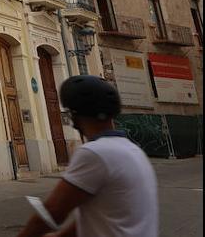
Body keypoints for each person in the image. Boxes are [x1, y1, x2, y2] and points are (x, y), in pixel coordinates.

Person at [17, 74, 157, 237]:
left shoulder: (94, 153)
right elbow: (100, 217)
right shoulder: (133, 151)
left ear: (74, 115)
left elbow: (53, 212)